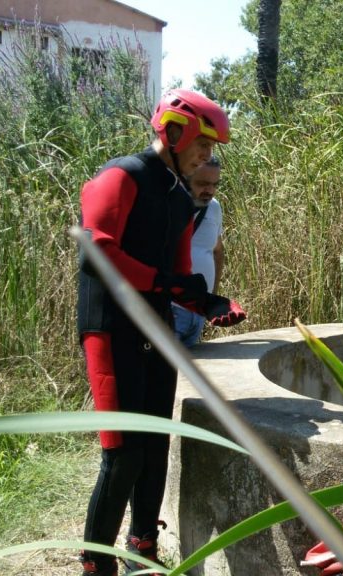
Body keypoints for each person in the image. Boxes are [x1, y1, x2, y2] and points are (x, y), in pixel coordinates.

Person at [76, 89, 247, 576]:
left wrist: (208, 301)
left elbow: (175, 276)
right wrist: (163, 283)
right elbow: (97, 252)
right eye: (203, 144)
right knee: (123, 454)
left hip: (157, 331)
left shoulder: (180, 197)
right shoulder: (122, 176)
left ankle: (143, 550)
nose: (207, 156)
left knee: (155, 447)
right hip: (110, 329)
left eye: (212, 150)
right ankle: (96, 563)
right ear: (175, 131)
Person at [172, 155, 226, 348]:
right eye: (203, 183)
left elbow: (217, 251)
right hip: (170, 311)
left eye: (214, 184)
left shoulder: (214, 208)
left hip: (198, 312)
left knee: (187, 375)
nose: (209, 190)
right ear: (185, 178)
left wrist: (211, 298)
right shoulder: (167, 206)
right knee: (162, 374)